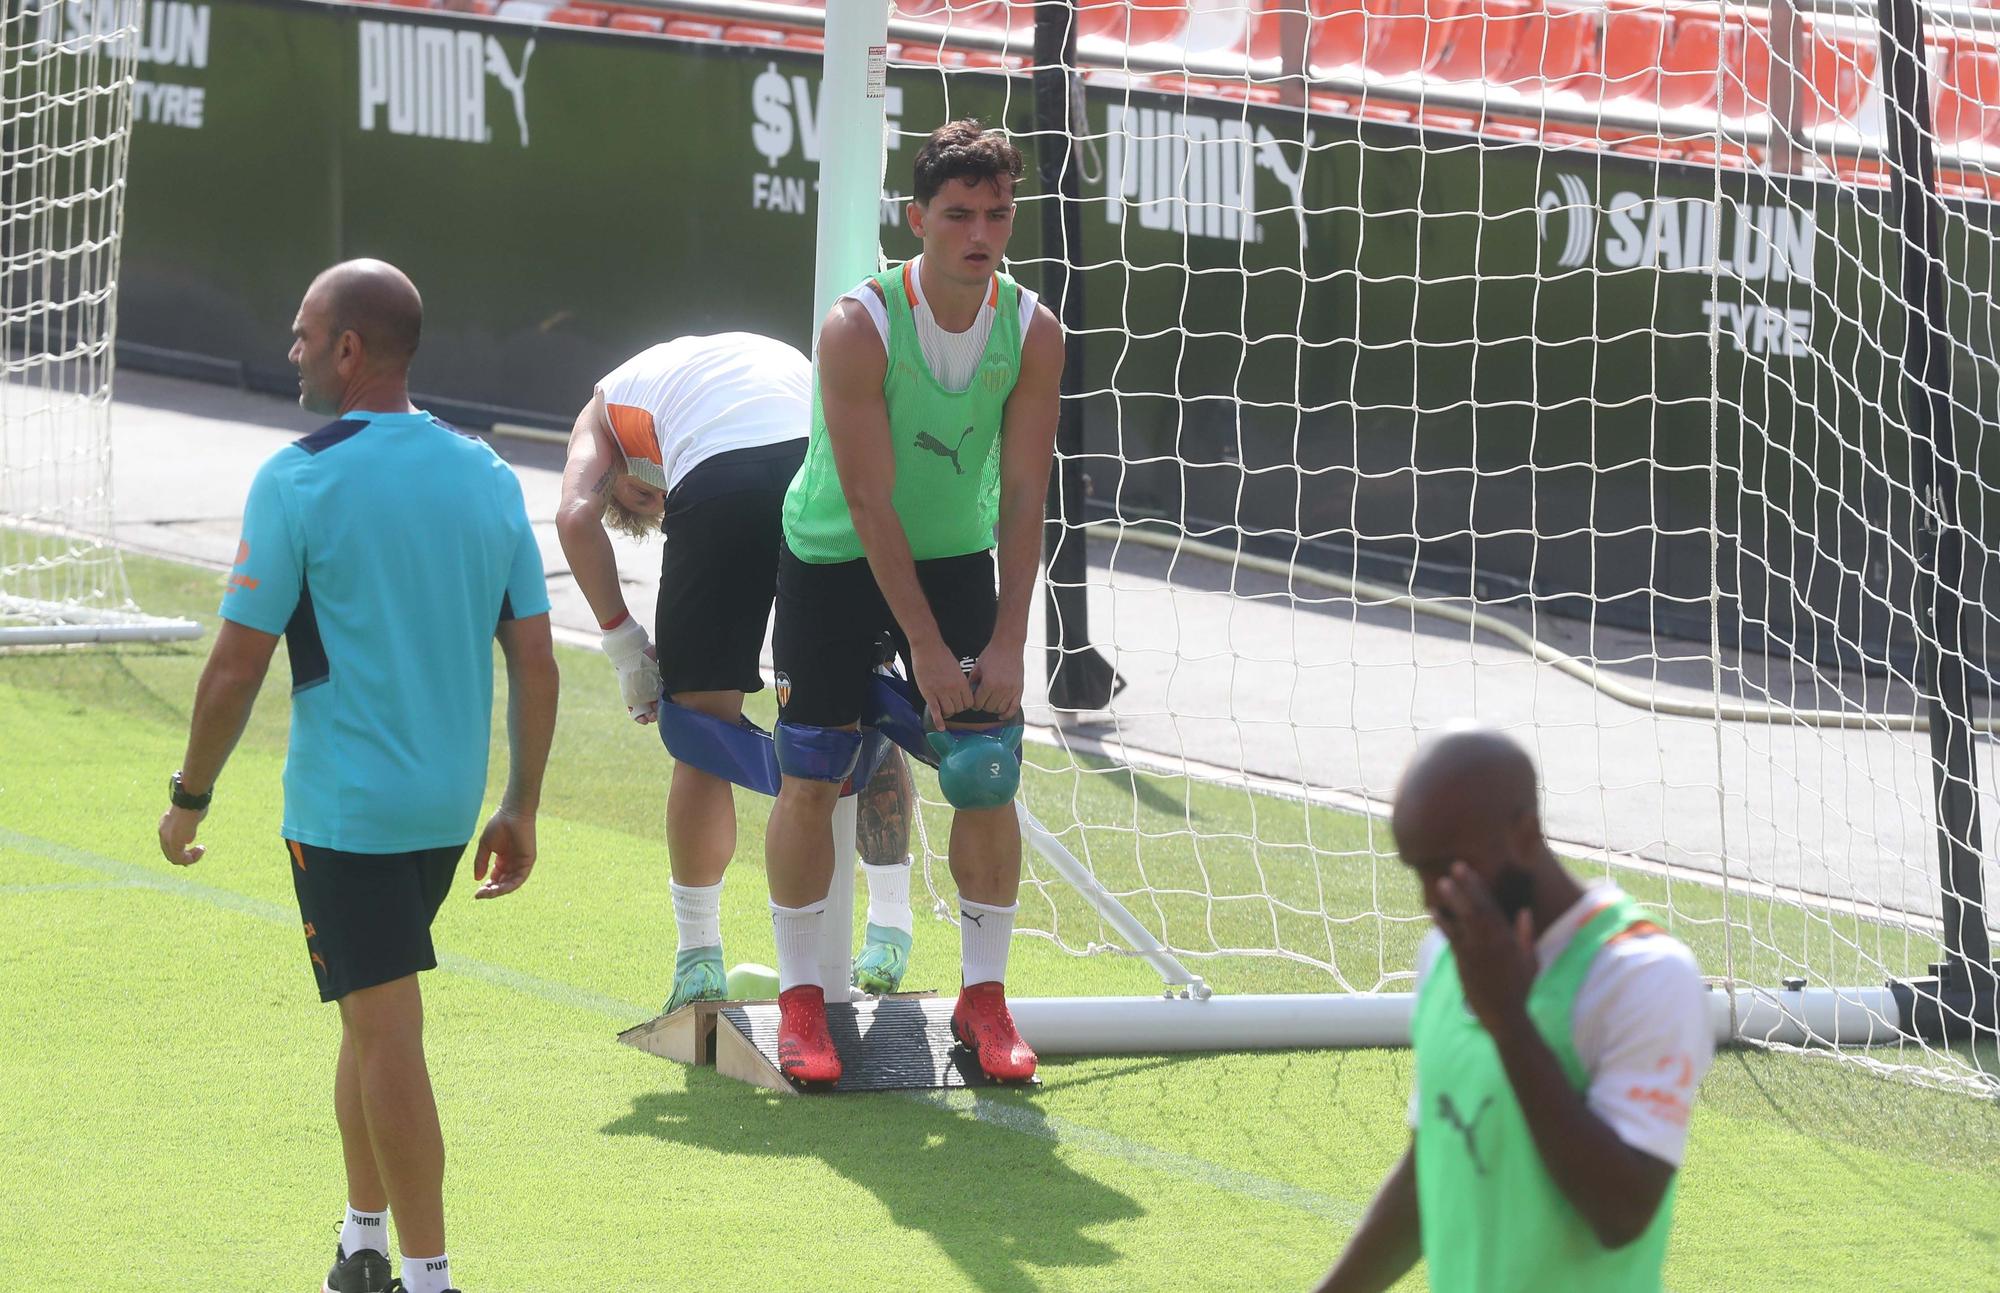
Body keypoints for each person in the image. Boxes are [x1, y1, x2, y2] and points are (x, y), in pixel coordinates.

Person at [155, 259, 559, 1293]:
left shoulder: (298, 477)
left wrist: (188, 796)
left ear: (347, 350)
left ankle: (426, 1278)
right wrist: (519, 804)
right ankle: (361, 1242)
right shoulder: (487, 475)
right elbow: (536, 657)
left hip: (345, 814)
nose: (290, 352)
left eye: (301, 335)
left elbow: (234, 668)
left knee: (387, 1035)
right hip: (443, 808)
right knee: (366, 1016)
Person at [761, 119, 1064, 1084]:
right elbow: (867, 500)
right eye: (960, 215)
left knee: (985, 769)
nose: (981, 233)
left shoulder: (1034, 331)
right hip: (835, 554)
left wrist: (1012, 638)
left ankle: (983, 999)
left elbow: (1023, 497)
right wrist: (929, 650)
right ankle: (802, 1000)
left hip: (951, 557)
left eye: (998, 214)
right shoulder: (861, 327)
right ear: (916, 218)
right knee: (814, 767)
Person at [553, 334, 919, 1011]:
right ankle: (892, 928)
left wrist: (626, 650)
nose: (654, 496)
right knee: (862, 704)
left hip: (725, 486)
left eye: (641, 497)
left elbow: (576, 515)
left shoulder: (603, 408)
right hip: (829, 467)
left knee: (698, 728)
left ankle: (698, 959)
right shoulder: (703, 362)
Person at [1311, 728, 1713, 1293]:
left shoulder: (1644, 978)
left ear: (1525, 835)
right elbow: (1432, 1167)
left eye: (1446, 867)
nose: (1431, 898)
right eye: (1417, 871)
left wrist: (1509, 1022)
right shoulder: (1447, 955)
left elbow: (1621, 1213)